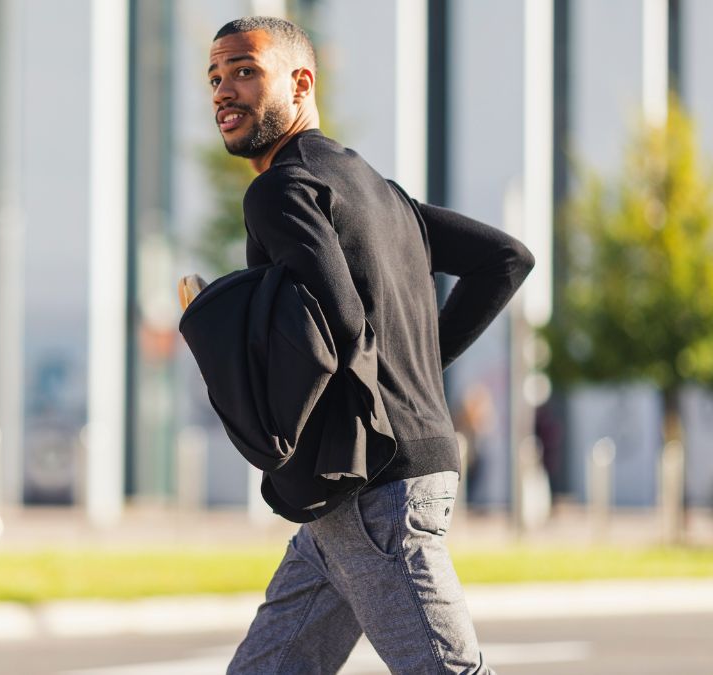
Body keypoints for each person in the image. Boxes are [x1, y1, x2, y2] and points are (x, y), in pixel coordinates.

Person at [208, 16, 535, 674]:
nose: (224, 91)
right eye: (215, 78)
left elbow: (341, 320)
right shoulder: (379, 192)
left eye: (245, 71)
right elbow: (505, 258)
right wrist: (416, 373)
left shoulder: (279, 190)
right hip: (361, 491)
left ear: (301, 83)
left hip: (374, 492)